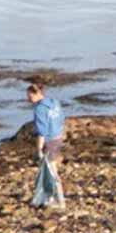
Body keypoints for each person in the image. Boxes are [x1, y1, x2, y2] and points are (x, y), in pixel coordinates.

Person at [26, 82, 66, 210]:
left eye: (30, 95)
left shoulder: (39, 109)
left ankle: (59, 200)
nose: (28, 98)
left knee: (50, 171)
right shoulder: (54, 102)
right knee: (52, 168)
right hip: (58, 137)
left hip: (49, 140)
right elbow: (61, 118)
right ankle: (55, 198)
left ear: (38, 94)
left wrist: (39, 149)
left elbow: (41, 131)